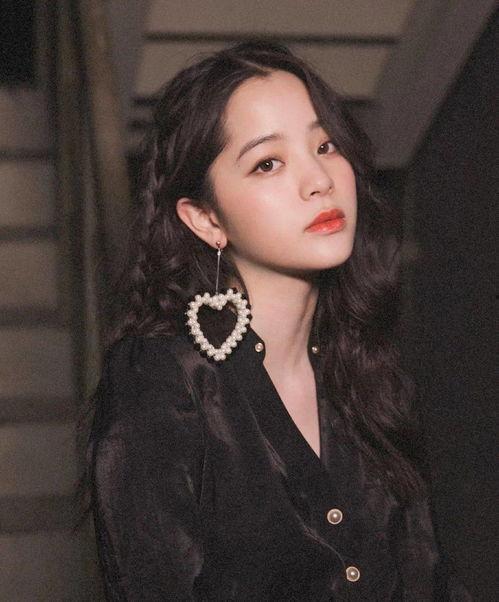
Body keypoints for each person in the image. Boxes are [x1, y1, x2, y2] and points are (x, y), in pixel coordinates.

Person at [76, 41, 470, 600]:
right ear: (206, 219)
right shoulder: (161, 378)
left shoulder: (366, 365)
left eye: (325, 145)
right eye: (268, 162)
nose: (319, 180)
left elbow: (428, 579)